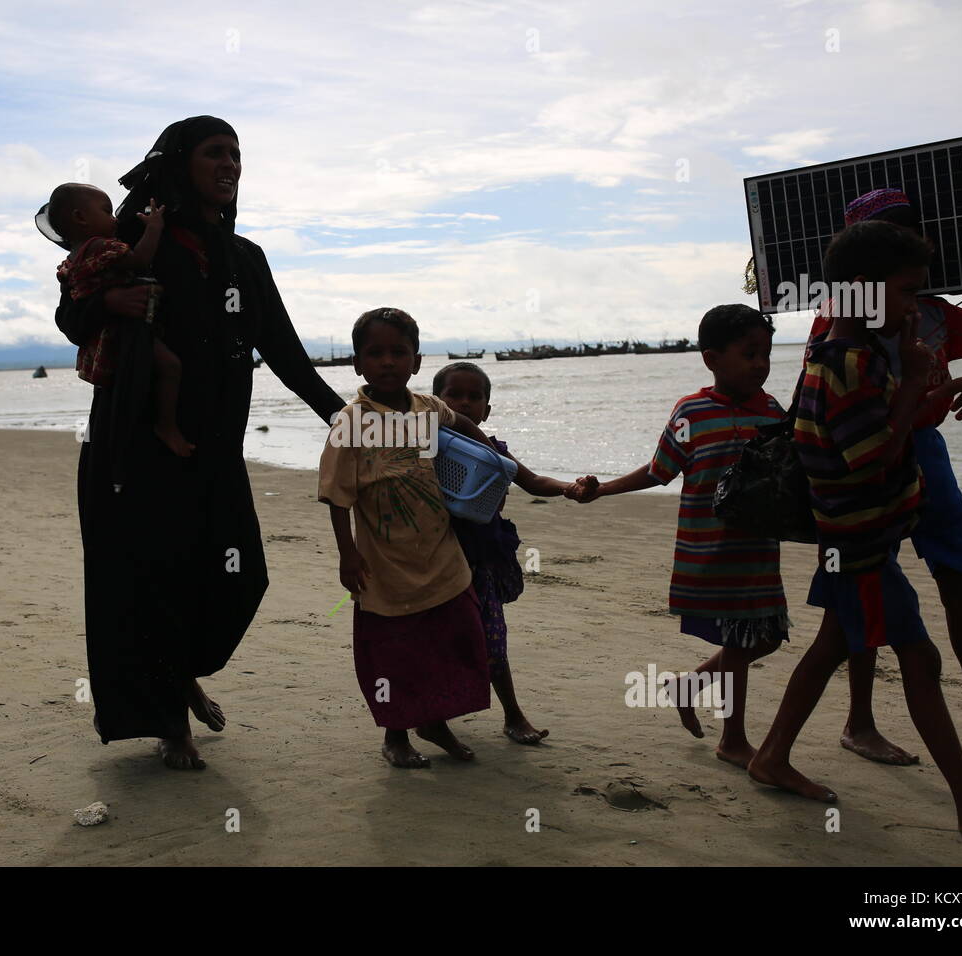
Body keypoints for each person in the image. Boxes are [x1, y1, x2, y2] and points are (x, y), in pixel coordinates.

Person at [54, 116, 345, 770]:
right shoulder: (132, 235)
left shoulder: (247, 258)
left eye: (237, 154)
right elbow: (72, 313)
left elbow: (286, 354)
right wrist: (109, 308)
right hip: (137, 443)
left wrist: (344, 416)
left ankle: (178, 672)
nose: (231, 164)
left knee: (242, 577)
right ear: (181, 162)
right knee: (153, 582)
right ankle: (168, 724)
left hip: (214, 448)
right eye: (216, 152)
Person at [749, 220, 962, 846]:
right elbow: (874, 459)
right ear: (863, 291)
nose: (915, 307)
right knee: (922, 657)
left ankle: (771, 755)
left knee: (831, 646)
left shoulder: (845, 356)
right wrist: (911, 383)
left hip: (849, 544)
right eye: (908, 293)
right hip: (862, 549)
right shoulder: (848, 365)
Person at [806, 188, 962, 765]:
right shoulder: (838, 327)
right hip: (869, 466)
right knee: (862, 596)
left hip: (925, 455)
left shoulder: (932, 310)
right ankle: (860, 722)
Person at [318, 308, 579, 768]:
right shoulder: (351, 422)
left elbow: (475, 439)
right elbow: (338, 496)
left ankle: (435, 721)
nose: (387, 362)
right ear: (357, 364)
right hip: (385, 561)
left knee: (456, 637)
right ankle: (395, 736)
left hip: (442, 555)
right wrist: (347, 554)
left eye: (398, 352)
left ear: (416, 362)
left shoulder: (429, 409)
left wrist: (515, 468)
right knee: (392, 650)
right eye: (375, 353)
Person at [573, 305, 790, 768]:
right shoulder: (691, 411)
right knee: (738, 642)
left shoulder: (772, 409)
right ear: (711, 359)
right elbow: (659, 471)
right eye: (749, 354)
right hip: (710, 547)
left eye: (766, 355)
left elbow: (794, 469)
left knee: (765, 637)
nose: (760, 364)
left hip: (760, 549)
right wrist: (603, 490)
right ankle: (733, 739)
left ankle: (688, 686)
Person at [433, 361, 574, 745]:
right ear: (435, 403)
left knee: (493, 641)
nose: (464, 403)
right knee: (434, 644)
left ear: (487, 409)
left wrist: (568, 487)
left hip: (482, 563)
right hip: (435, 564)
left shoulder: (494, 452)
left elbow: (531, 480)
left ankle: (513, 715)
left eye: (474, 396)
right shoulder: (423, 448)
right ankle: (427, 722)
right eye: (454, 395)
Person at [42, 186, 194, 457]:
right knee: (171, 367)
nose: (115, 219)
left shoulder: (72, 260)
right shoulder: (103, 247)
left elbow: (69, 314)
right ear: (80, 217)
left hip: (102, 343)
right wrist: (154, 228)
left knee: (121, 390)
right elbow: (138, 261)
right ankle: (167, 426)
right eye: (107, 212)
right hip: (125, 332)